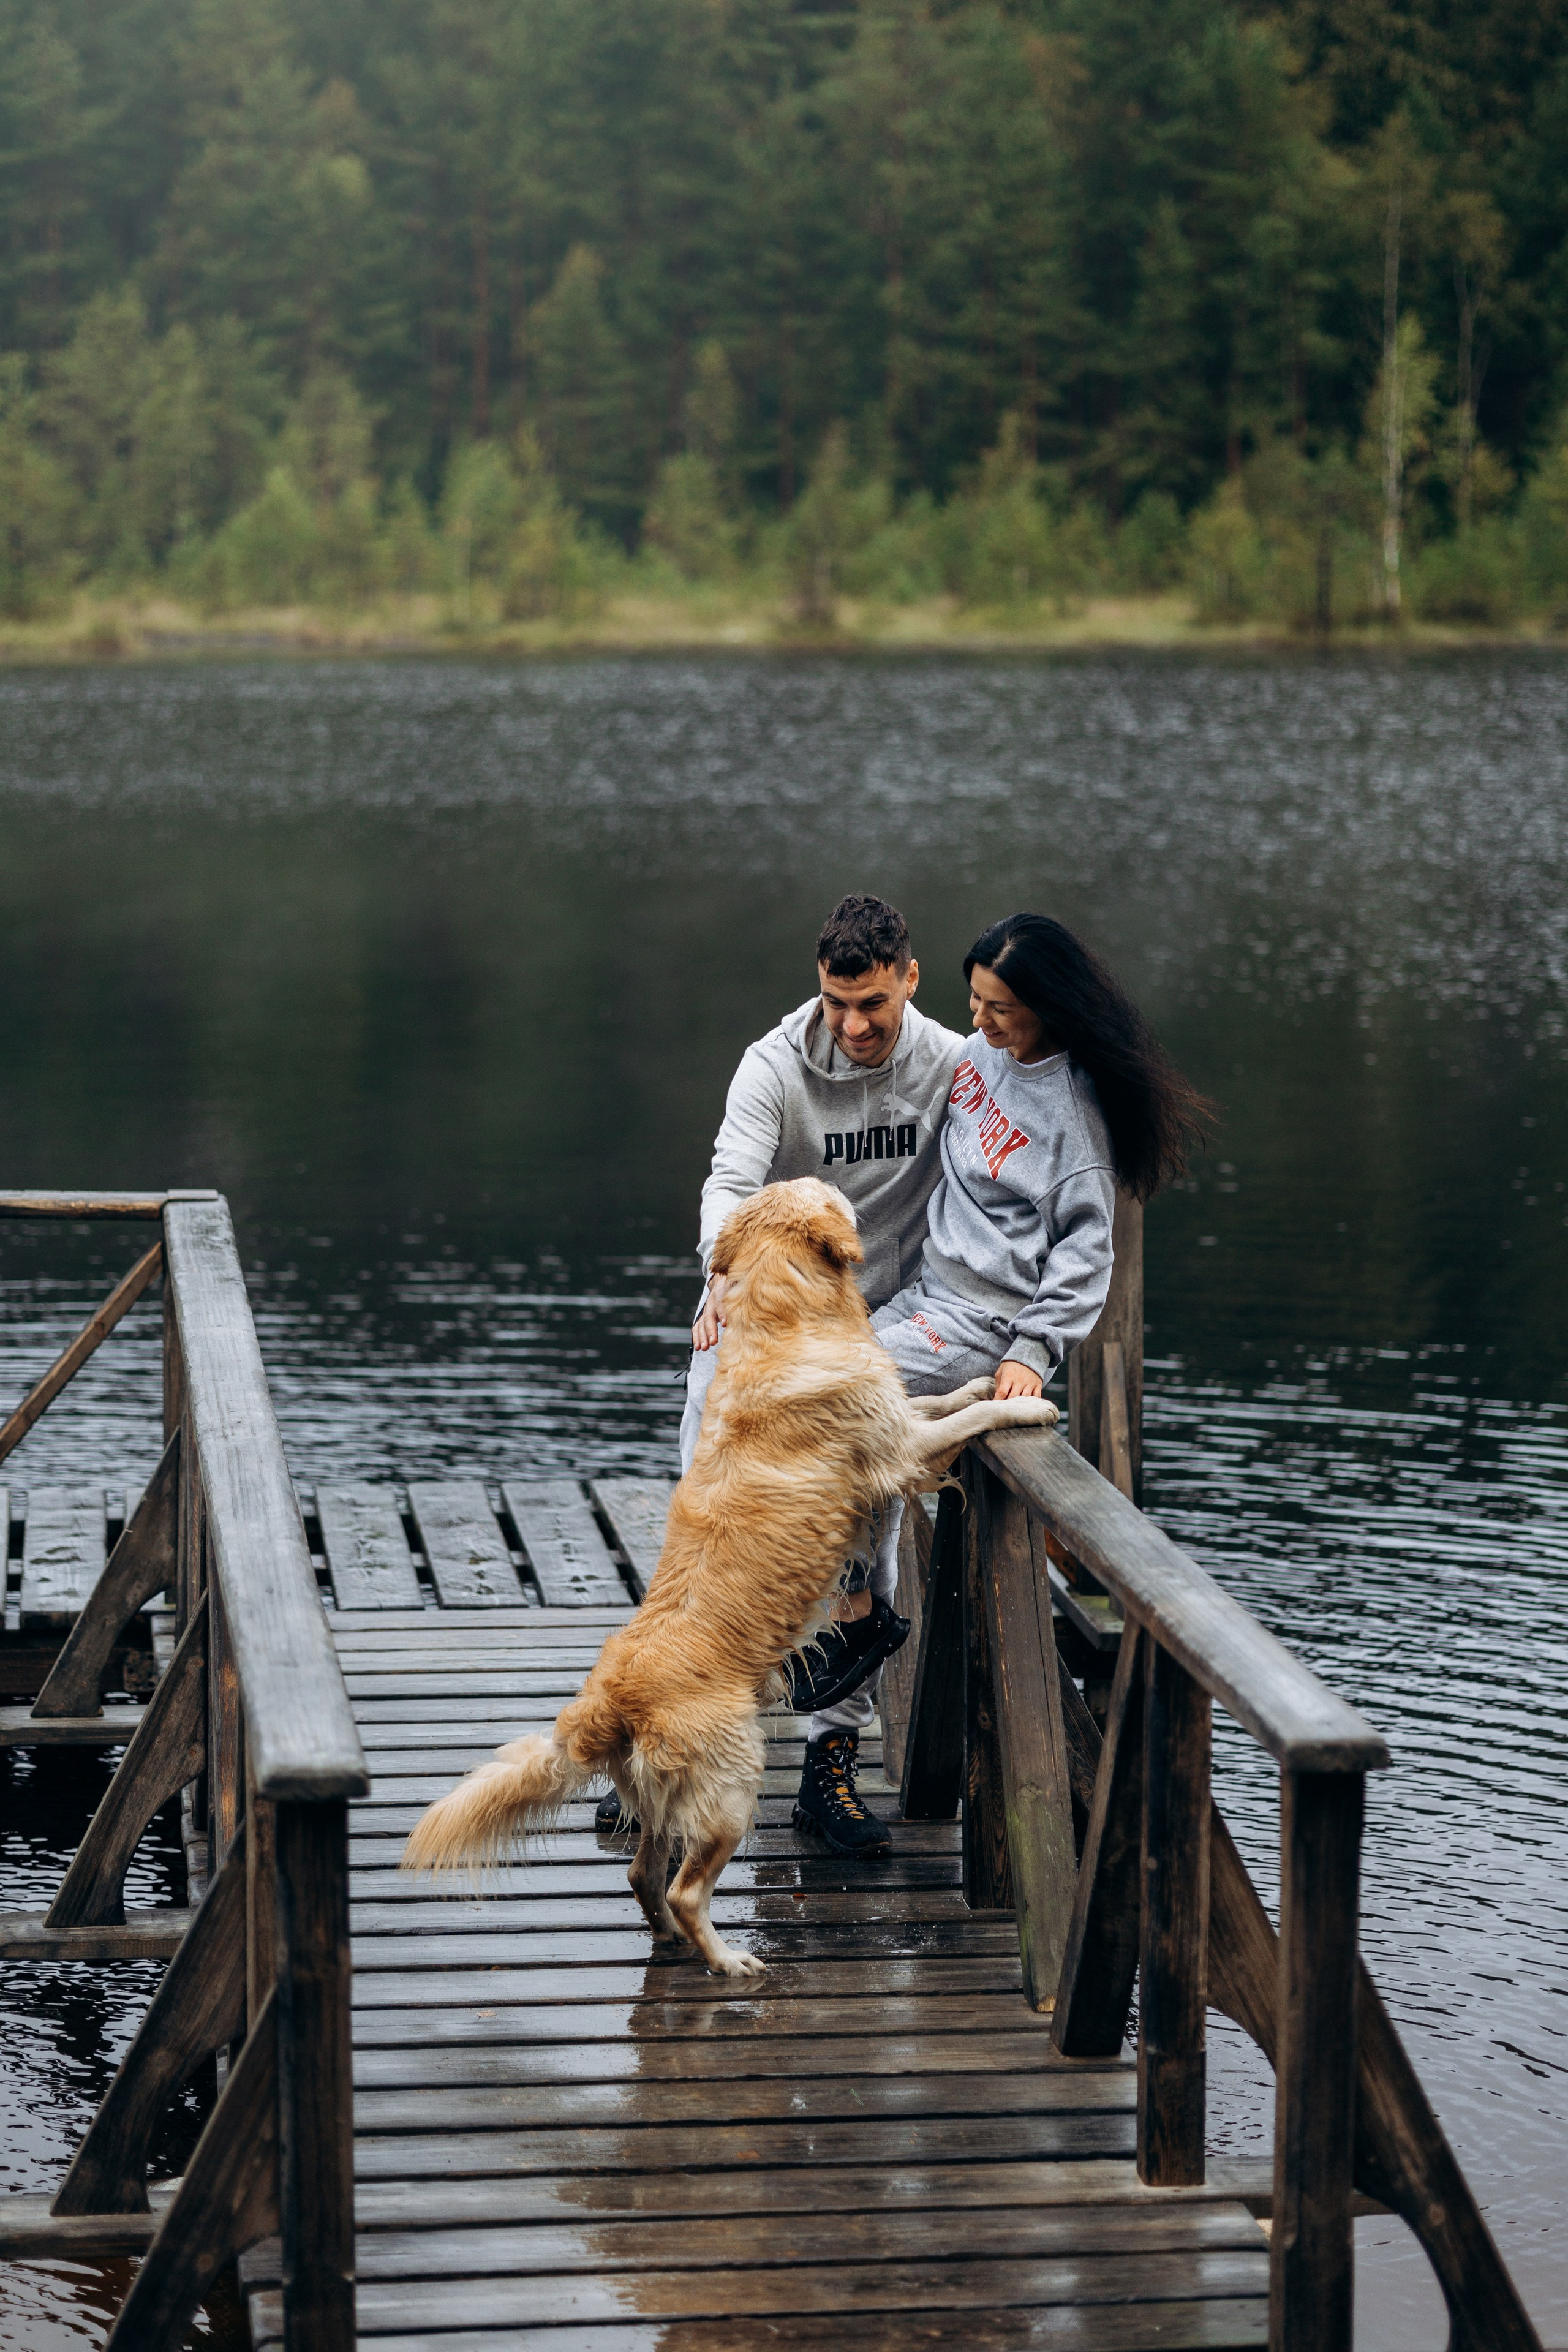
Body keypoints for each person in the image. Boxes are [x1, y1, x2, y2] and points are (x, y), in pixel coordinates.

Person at [596, 892, 968, 1855]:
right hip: (754, 1333)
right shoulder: (773, 1065)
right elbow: (729, 1180)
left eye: (873, 1005)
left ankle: (829, 1774)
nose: (852, 1028)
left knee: (866, 1563)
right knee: (704, 1543)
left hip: (874, 1337)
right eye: (837, 1004)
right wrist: (719, 1274)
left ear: (910, 979)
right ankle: (652, 1760)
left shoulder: (954, 1069)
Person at [873, 911, 1213, 1405]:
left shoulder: (1071, 1122)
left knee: (824, 1393)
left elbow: (1088, 1249)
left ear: (1046, 1007)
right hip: (924, 1294)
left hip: (980, 1326)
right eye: (976, 998)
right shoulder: (981, 1053)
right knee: (804, 1371)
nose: (978, 1019)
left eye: (1000, 1008)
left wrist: (1033, 1348)